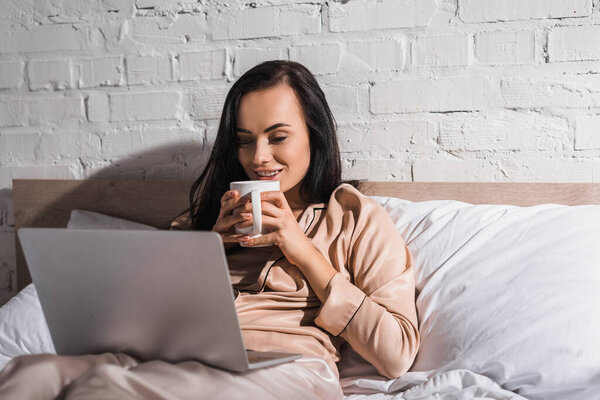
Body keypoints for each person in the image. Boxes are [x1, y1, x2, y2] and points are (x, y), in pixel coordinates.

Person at [0, 60, 419, 399]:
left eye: (277, 137)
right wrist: (208, 246)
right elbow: (141, 320)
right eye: (244, 140)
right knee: (29, 372)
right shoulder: (202, 223)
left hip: (287, 368)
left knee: (107, 389)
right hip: (182, 361)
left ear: (314, 134)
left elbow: (396, 353)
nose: (258, 157)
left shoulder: (353, 219)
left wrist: (302, 250)